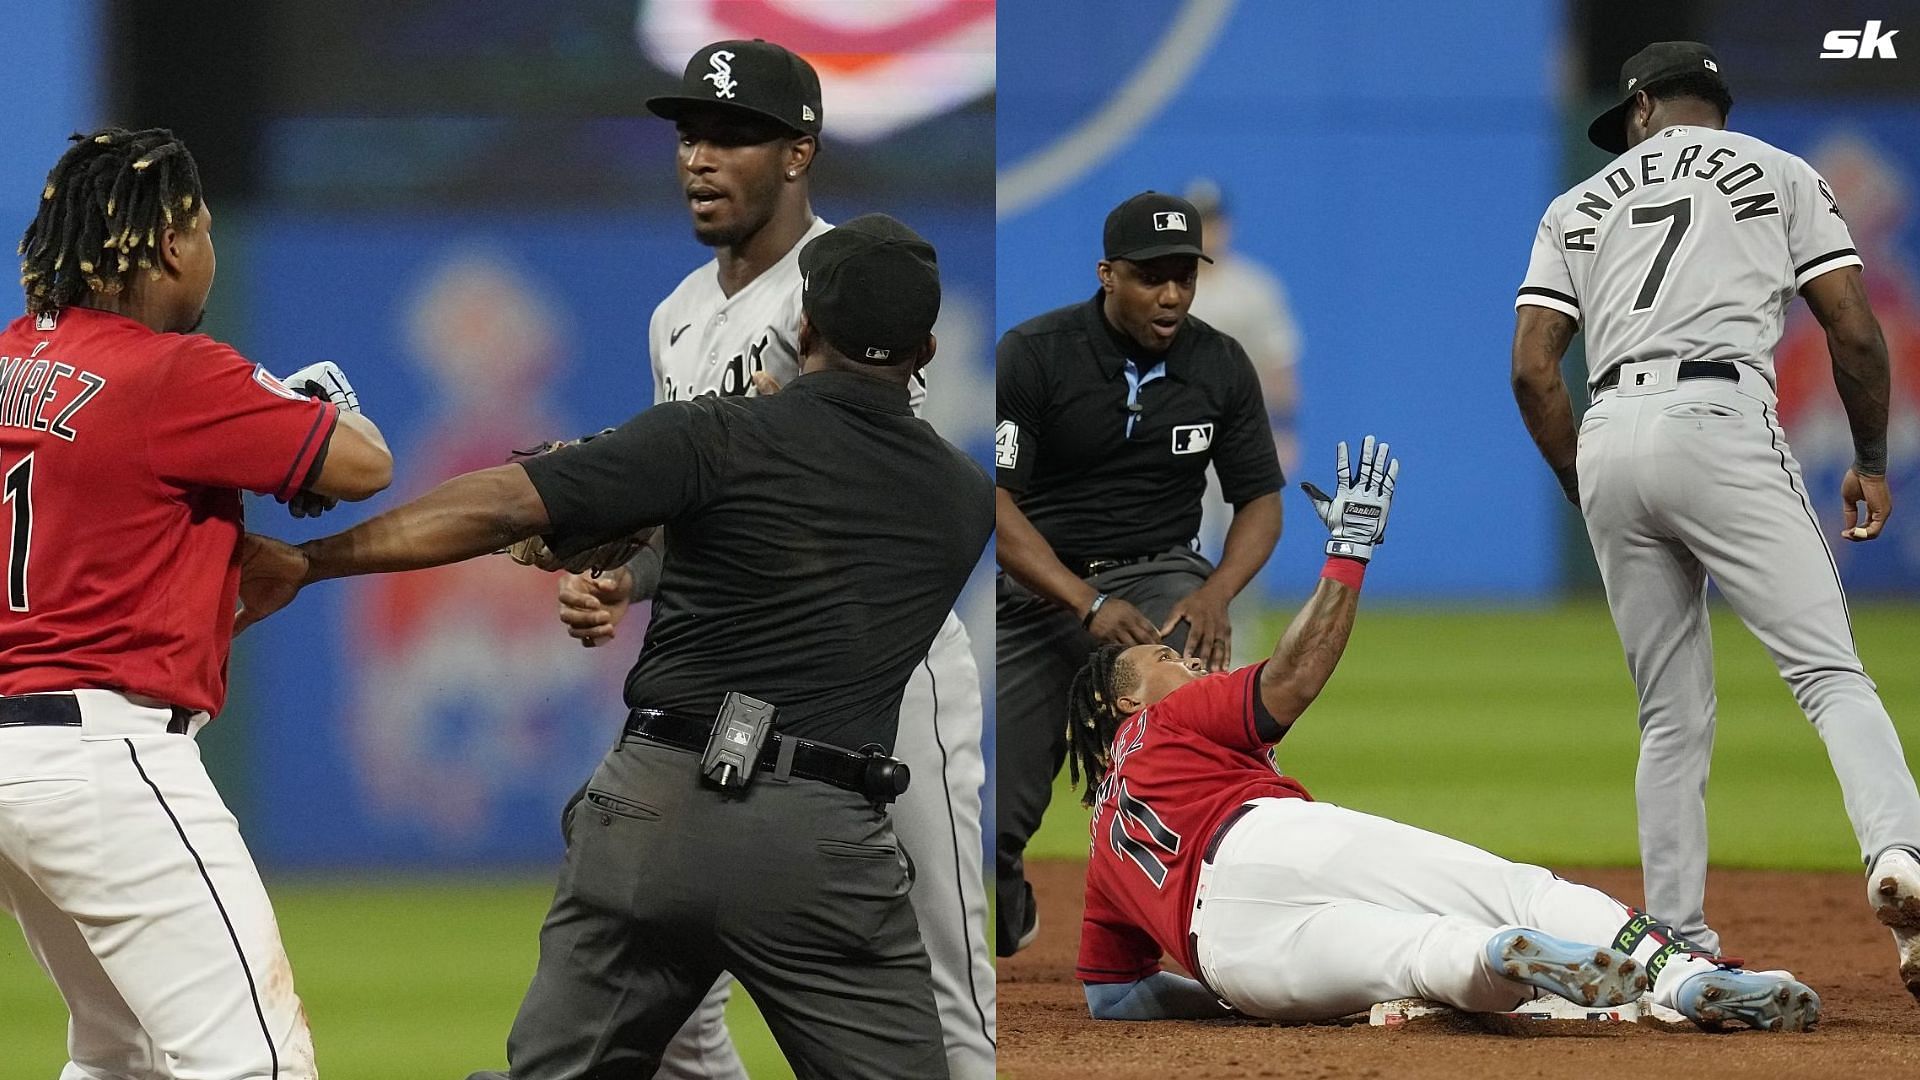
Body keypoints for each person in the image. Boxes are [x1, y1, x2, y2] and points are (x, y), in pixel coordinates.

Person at [236, 214, 994, 1080]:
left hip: (649, 814)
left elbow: (501, 505)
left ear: (806, 326)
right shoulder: (961, 498)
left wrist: (308, 560)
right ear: (925, 348)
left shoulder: (713, 437)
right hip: (817, 839)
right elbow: (805, 523)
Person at [550, 38, 996, 1078]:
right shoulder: (676, 316)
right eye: (691, 133)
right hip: (730, 691)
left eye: (733, 135)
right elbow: (703, 515)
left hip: (885, 676)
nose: (700, 156)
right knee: (663, 987)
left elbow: (880, 497)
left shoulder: (852, 289)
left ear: (798, 154)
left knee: (942, 976)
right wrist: (630, 574)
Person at [1068, 438, 1822, 1032]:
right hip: (1263, 843)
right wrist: (1348, 553)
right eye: (1164, 658)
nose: (1187, 659)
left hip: (1237, 964)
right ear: (1121, 708)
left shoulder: (1103, 845)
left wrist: (1221, 997)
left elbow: (1116, 996)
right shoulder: (1165, 719)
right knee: (1518, 891)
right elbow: (1292, 679)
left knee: (1422, 958)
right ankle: (1687, 979)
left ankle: (1495, 961)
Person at [1510, 40, 1920, 1000]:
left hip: (1609, 421)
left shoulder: (1578, 201)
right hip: (1720, 414)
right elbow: (1854, 329)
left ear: (1646, 105)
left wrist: (1589, 479)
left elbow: (1533, 367)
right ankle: (1899, 853)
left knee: (1669, 714)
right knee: (1827, 671)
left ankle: (1679, 946)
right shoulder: (1780, 171)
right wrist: (1867, 460)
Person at [0, 128, 392, 1079]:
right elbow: (364, 462)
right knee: (256, 1063)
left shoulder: (10, 360)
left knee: (120, 1054)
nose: (210, 247)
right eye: (204, 227)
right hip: (106, 756)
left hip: (16, 754)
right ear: (171, 243)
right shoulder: (174, 370)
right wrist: (307, 406)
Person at [995, 190, 1284, 956]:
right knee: (991, 816)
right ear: (1106, 274)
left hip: (1161, 576)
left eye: (1183, 276)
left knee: (1190, 739)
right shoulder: (1035, 352)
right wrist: (1086, 603)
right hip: (1039, 587)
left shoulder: (1218, 362)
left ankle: (1220, 912)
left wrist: (1217, 591)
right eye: (1150, 276)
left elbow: (1259, 499)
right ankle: (1003, 889)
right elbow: (996, 506)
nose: (1171, 294)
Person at [1184, 178, 1303, 559]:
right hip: (1178, 433)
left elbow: (1279, 364)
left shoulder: (1255, 288)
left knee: (1246, 546)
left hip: (1242, 433)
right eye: (1197, 222)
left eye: (1212, 220)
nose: (1207, 231)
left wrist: (1284, 430)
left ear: (1227, 225)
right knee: (1184, 548)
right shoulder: (1163, 288)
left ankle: (1242, 623)